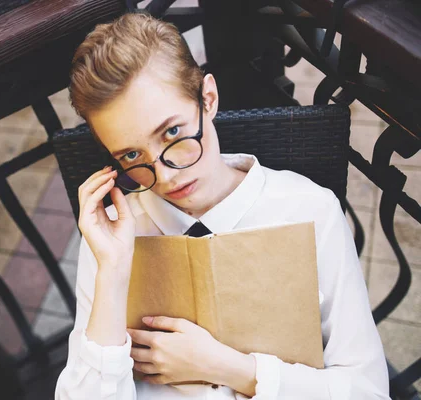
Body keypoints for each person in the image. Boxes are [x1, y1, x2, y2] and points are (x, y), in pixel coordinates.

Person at [55, 12, 389, 400]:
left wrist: (227, 367)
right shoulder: (111, 236)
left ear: (208, 99)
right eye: (131, 155)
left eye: (173, 133)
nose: (164, 177)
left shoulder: (310, 209)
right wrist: (112, 275)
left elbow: (368, 391)